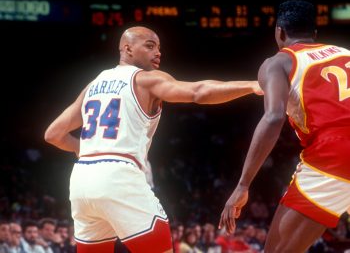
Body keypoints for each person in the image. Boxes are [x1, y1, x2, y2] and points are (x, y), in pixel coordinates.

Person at [44, 26, 261, 253]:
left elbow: (53, 134)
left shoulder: (94, 84)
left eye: (158, 48)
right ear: (127, 49)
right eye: (149, 46)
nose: (158, 53)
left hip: (81, 180)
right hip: (119, 175)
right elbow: (198, 91)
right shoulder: (145, 80)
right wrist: (251, 85)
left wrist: (84, 147)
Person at [219, 0, 350, 252]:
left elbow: (273, 117)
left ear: (279, 31)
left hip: (333, 155)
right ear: (314, 33)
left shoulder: (278, 62)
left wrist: (243, 185)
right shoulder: (345, 53)